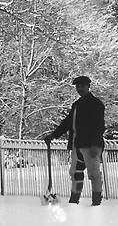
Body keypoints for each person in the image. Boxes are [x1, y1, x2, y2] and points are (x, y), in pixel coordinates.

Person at [43, 75, 106, 205]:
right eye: (77, 86)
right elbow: (67, 123)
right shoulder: (77, 104)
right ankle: (74, 201)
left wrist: (95, 144)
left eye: (82, 86)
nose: (79, 88)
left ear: (88, 87)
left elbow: (99, 126)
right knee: (75, 173)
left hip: (91, 146)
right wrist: (54, 135)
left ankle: (96, 202)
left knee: (94, 174)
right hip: (77, 145)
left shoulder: (96, 104)